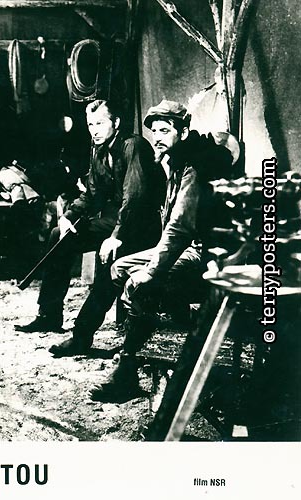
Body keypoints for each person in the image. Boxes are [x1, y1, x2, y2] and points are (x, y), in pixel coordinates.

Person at [89, 99, 238, 403]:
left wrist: (151, 270)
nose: (157, 137)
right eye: (154, 131)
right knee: (119, 267)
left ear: (183, 132)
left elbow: (180, 229)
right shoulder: (175, 161)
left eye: (165, 130)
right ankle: (157, 333)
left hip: (208, 255)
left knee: (141, 284)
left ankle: (127, 371)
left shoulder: (194, 167)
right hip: (187, 248)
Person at [15, 100, 162, 333]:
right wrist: (69, 216)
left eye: (100, 123)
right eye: (90, 124)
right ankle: (48, 315)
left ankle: (82, 331)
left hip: (141, 226)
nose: (94, 130)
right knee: (59, 236)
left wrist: (116, 236)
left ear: (116, 122)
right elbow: (92, 194)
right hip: (115, 221)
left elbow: (135, 199)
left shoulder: (133, 146)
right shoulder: (99, 149)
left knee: (107, 258)